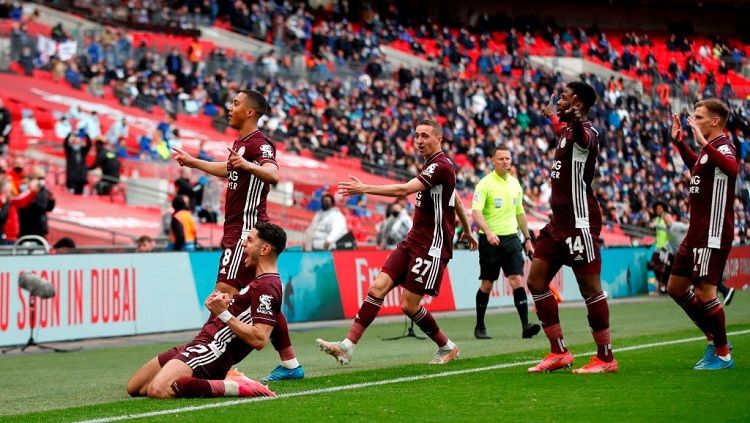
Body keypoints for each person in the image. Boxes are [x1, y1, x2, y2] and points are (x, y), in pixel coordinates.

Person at [316, 119, 478, 365]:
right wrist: (466, 230)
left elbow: (404, 191)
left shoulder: (441, 166)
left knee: (409, 305)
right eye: (416, 136)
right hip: (412, 240)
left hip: (431, 246)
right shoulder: (430, 167)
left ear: (439, 139)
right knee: (377, 288)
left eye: (425, 136)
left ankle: (448, 346)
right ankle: (347, 347)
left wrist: (364, 188)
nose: (420, 141)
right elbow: (455, 199)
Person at [172, 89, 303, 381]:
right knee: (262, 299)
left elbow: (273, 174)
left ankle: (201, 361)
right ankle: (291, 364)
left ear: (250, 112)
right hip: (237, 229)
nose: (229, 107)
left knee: (221, 296)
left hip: (246, 231)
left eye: (235, 103)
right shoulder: (241, 144)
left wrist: (247, 165)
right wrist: (194, 162)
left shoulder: (260, 143)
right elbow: (229, 170)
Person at [126, 222, 285, 399]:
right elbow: (242, 314)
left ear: (264, 249)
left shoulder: (268, 286)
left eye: (249, 240)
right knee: (135, 387)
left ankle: (234, 386)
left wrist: (223, 313)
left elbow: (260, 338)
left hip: (213, 349)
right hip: (201, 341)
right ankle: (221, 378)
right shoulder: (259, 281)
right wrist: (226, 304)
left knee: (159, 389)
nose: (243, 244)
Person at [526, 82, 618, 374]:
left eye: (563, 97)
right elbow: (564, 128)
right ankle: (559, 352)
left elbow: (581, 135)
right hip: (557, 224)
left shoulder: (585, 133)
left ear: (577, 102)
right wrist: (554, 116)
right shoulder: (566, 131)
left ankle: (606, 358)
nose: (559, 99)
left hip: (580, 224)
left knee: (589, 288)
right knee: (536, 282)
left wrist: (575, 119)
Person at [667, 99, 738, 370]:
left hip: (713, 231)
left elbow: (732, 169)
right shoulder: (709, 152)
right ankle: (713, 337)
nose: (694, 121)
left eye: (699, 117)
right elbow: (698, 168)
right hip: (696, 232)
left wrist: (700, 141)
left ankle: (722, 353)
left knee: (705, 292)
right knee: (675, 287)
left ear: (715, 121)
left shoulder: (724, 146)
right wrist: (680, 143)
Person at [471, 146, 540, 340]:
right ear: (493, 161)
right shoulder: (484, 184)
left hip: (511, 239)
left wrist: (527, 239)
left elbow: (520, 213)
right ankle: (480, 326)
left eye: (508, 158)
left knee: (517, 280)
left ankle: (526, 326)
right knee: (487, 284)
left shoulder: (515, 184)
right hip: (489, 240)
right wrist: (488, 232)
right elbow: (476, 211)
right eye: (501, 159)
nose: (506, 162)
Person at [18, 166, 55, 239]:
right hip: (27, 228)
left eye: (43, 178)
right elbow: (36, 207)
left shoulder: (44, 190)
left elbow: (48, 207)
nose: (41, 181)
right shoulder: (25, 191)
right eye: (39, 178)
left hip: (40, 228)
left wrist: (49, 197)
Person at [647, 201, 674, 294]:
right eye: (657, 208)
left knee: (664, 267)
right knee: (652, 265)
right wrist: (652, 241)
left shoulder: (667, 216)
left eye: (660, 208)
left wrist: (658, 225)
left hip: (666, 247)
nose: (658, 210)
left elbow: (672, 227)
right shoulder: (657, 219)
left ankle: (665, 285)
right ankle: (661, 284)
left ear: (663, 208)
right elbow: (656, 231)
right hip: (658, 246)